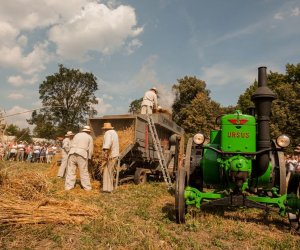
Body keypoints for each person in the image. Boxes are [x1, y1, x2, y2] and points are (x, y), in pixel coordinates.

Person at [65, 126, 93, 191]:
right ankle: (87, 188)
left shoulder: (77, 135)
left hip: (72, 153)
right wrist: (89, 158)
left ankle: (68, 187)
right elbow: (90, 149)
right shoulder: (89, 137)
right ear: (88, 131)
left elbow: (71, 144)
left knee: (71, 171)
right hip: (82, 154)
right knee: (83, 171)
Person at [102, 122, 119, 193]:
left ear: (105, 129)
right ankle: (109, 188)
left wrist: (105, 153)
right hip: (115, 154)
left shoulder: (108, 133)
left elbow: (108, 143)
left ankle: (108, 189)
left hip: (110, 155)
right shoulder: (114, 132)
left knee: (107, 172)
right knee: (110, 171)